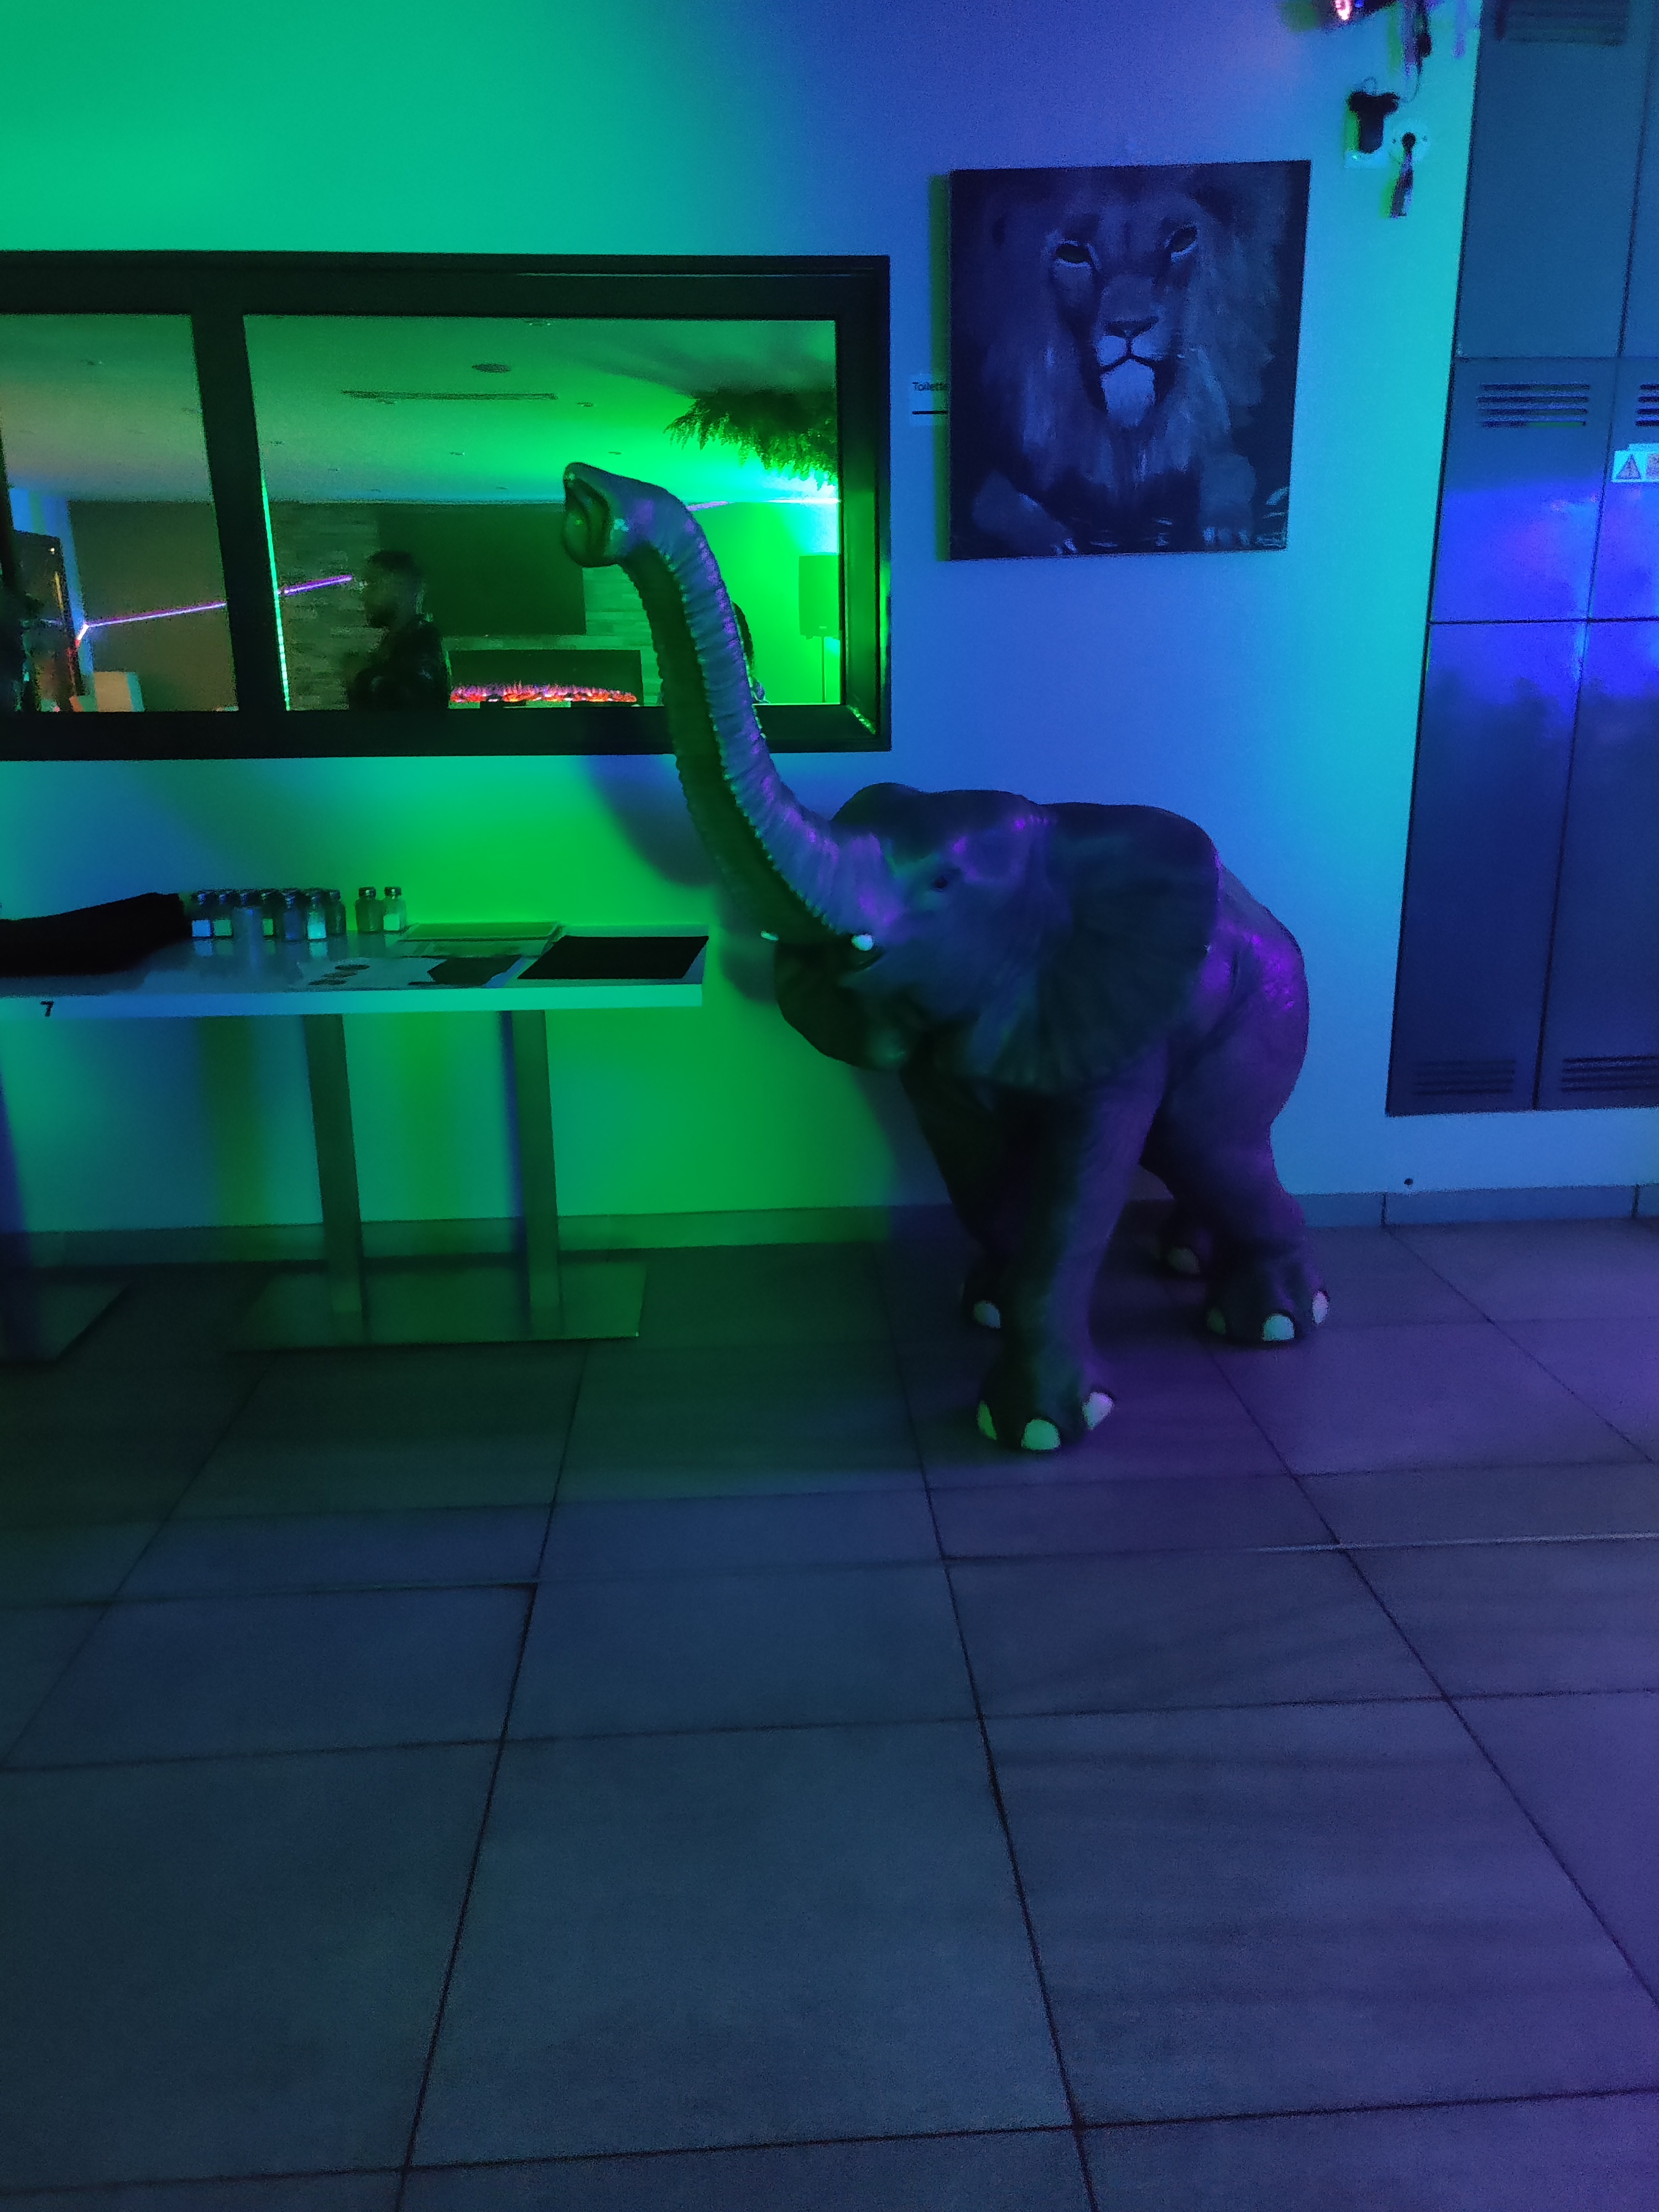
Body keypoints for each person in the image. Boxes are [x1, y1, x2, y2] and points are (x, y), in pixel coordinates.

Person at [346, 550, 451, 709]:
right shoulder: (396, 643)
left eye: (371, 584)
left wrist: (360, 677)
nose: (364, 596)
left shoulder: (422, 643)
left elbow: (409, 708)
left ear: (399, 586)